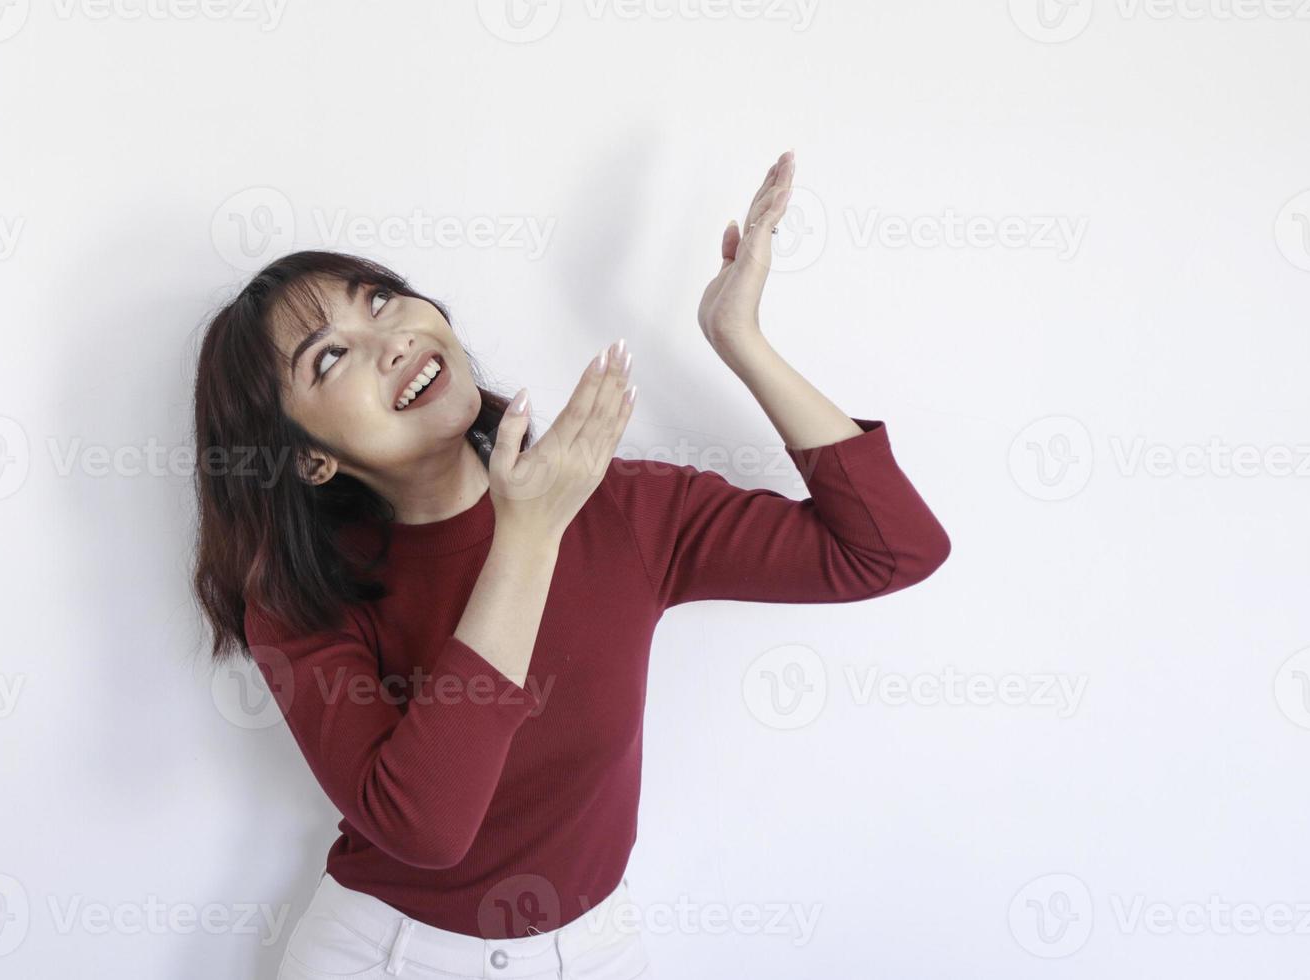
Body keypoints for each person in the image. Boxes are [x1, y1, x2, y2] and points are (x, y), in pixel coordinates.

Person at [191, 151, 951, 979]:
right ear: (309, 461)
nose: (392, 340)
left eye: (379, 300)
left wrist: (739, 338)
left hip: (594, 951)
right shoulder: (299, 598)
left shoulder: (622, 509)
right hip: (389, 955)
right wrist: (526, 539)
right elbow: (428, 830)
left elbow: (890, 550)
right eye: (328, 357)